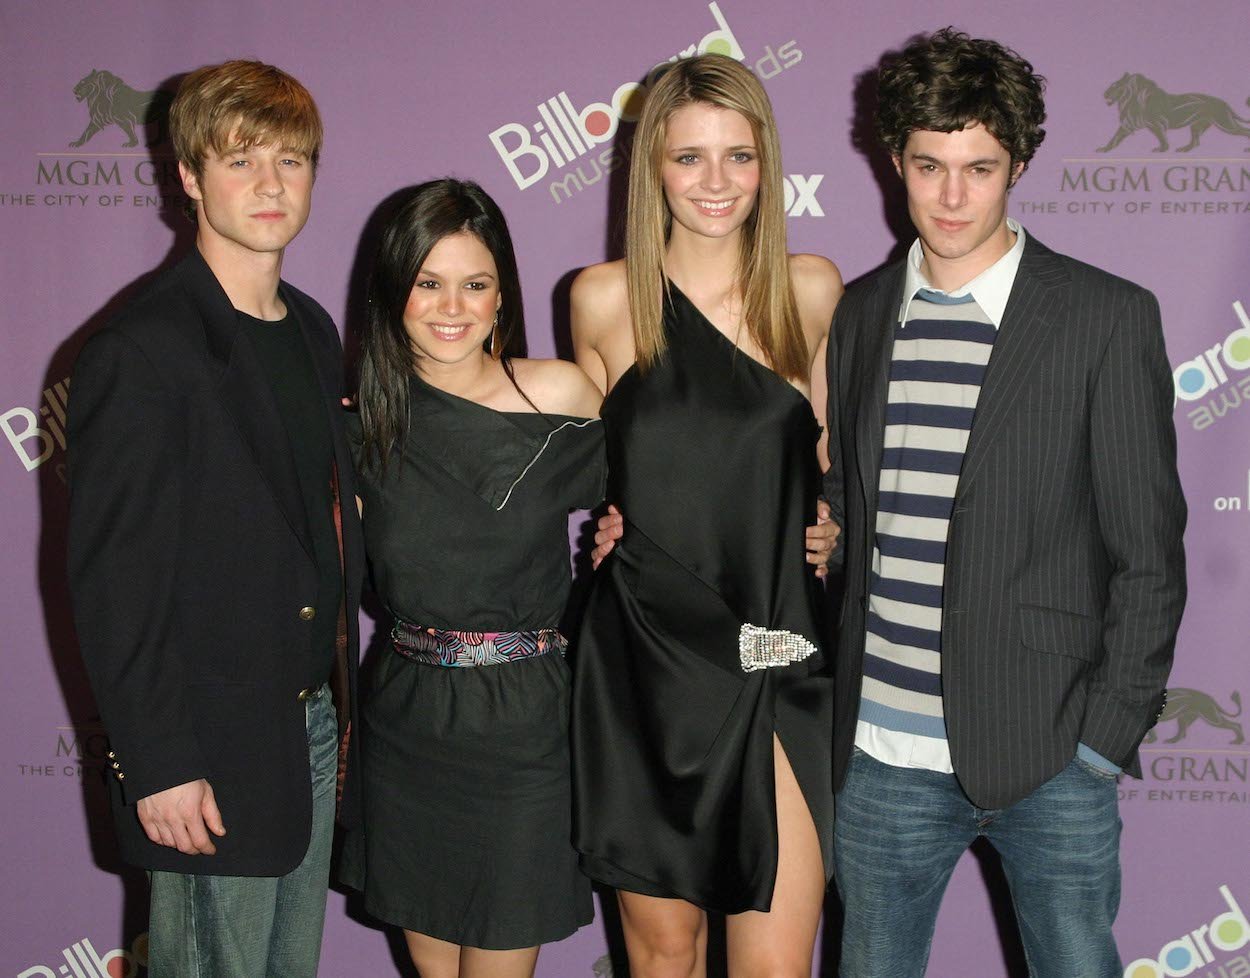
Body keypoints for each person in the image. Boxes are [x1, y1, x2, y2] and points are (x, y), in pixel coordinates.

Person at [822, 28, 1187, 976]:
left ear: (1017, 165)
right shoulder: (860, 313)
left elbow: (1149, 554)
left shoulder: (1105, 317)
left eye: (979, 168)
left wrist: (1101, 745)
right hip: (882, 755)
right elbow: (854, 505)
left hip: (1050, 755)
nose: (951, 197)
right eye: (929, 165)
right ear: (893, 158)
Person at [66, 60, 364, 977]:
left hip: (308, 729)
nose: (271, 184)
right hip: (204, 746)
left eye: (292, 159)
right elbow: (114, 579)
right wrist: (157, 761)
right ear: (189, 177)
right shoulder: (141, 347)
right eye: (241, 161)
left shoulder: (313, 328)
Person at [569, 53, 843, 978]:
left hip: (776, 656)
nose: (715, 183)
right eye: (688, 158)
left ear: (767, 162)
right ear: (653, 170)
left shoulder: (811, 290)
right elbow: (585, 472)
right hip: (647, 667)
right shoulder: (604, 301)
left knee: (773, 963)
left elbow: (831, 475)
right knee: (664, 956)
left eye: (738, 154)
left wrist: (835, 528)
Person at [338, 178, 600, 978]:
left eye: (475, 283)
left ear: (500, 296)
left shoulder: (555, 393)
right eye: (428, 282)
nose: (452, 306)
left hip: (524, 730)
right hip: (408, 723)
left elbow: (667, 507)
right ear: (394, 291)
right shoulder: (362, 423)